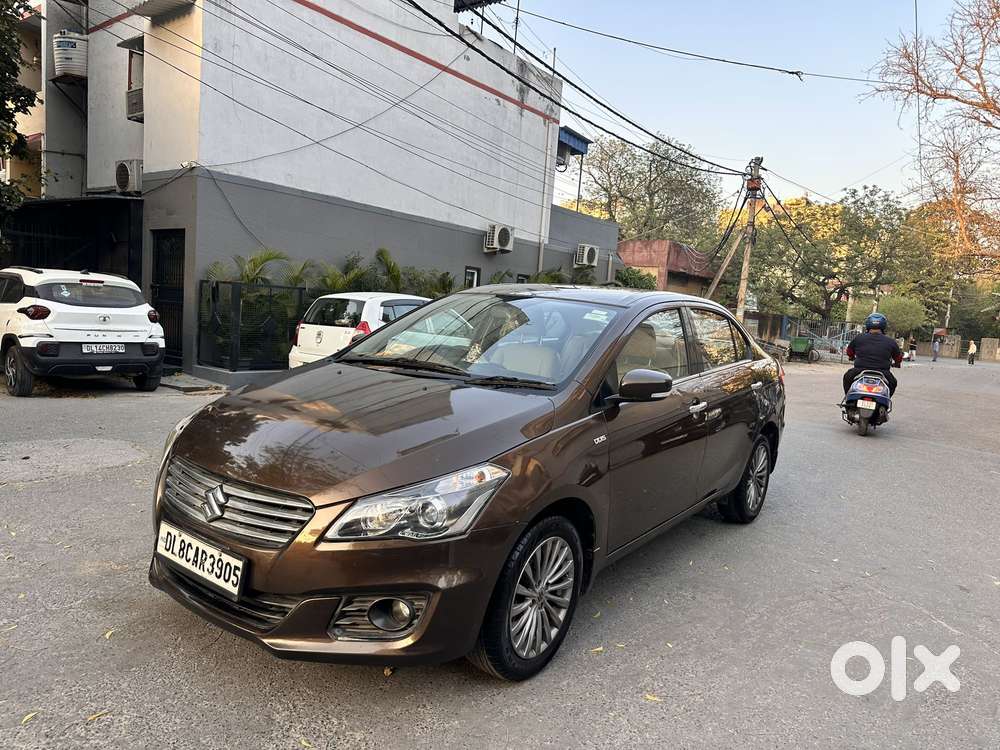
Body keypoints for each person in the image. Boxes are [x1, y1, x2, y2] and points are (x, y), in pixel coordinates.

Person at [843, 313, 902, 396]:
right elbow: (898, 357)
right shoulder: (890, 341)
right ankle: (885, 403)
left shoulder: (859, 338)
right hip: (883, 372)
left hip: (859, 370)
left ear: (868, 324)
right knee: (893, 383)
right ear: (883, 326)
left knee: (847, 378)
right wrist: (897, 363)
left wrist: (851, 357)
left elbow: (849, 351)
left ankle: (848, 398)